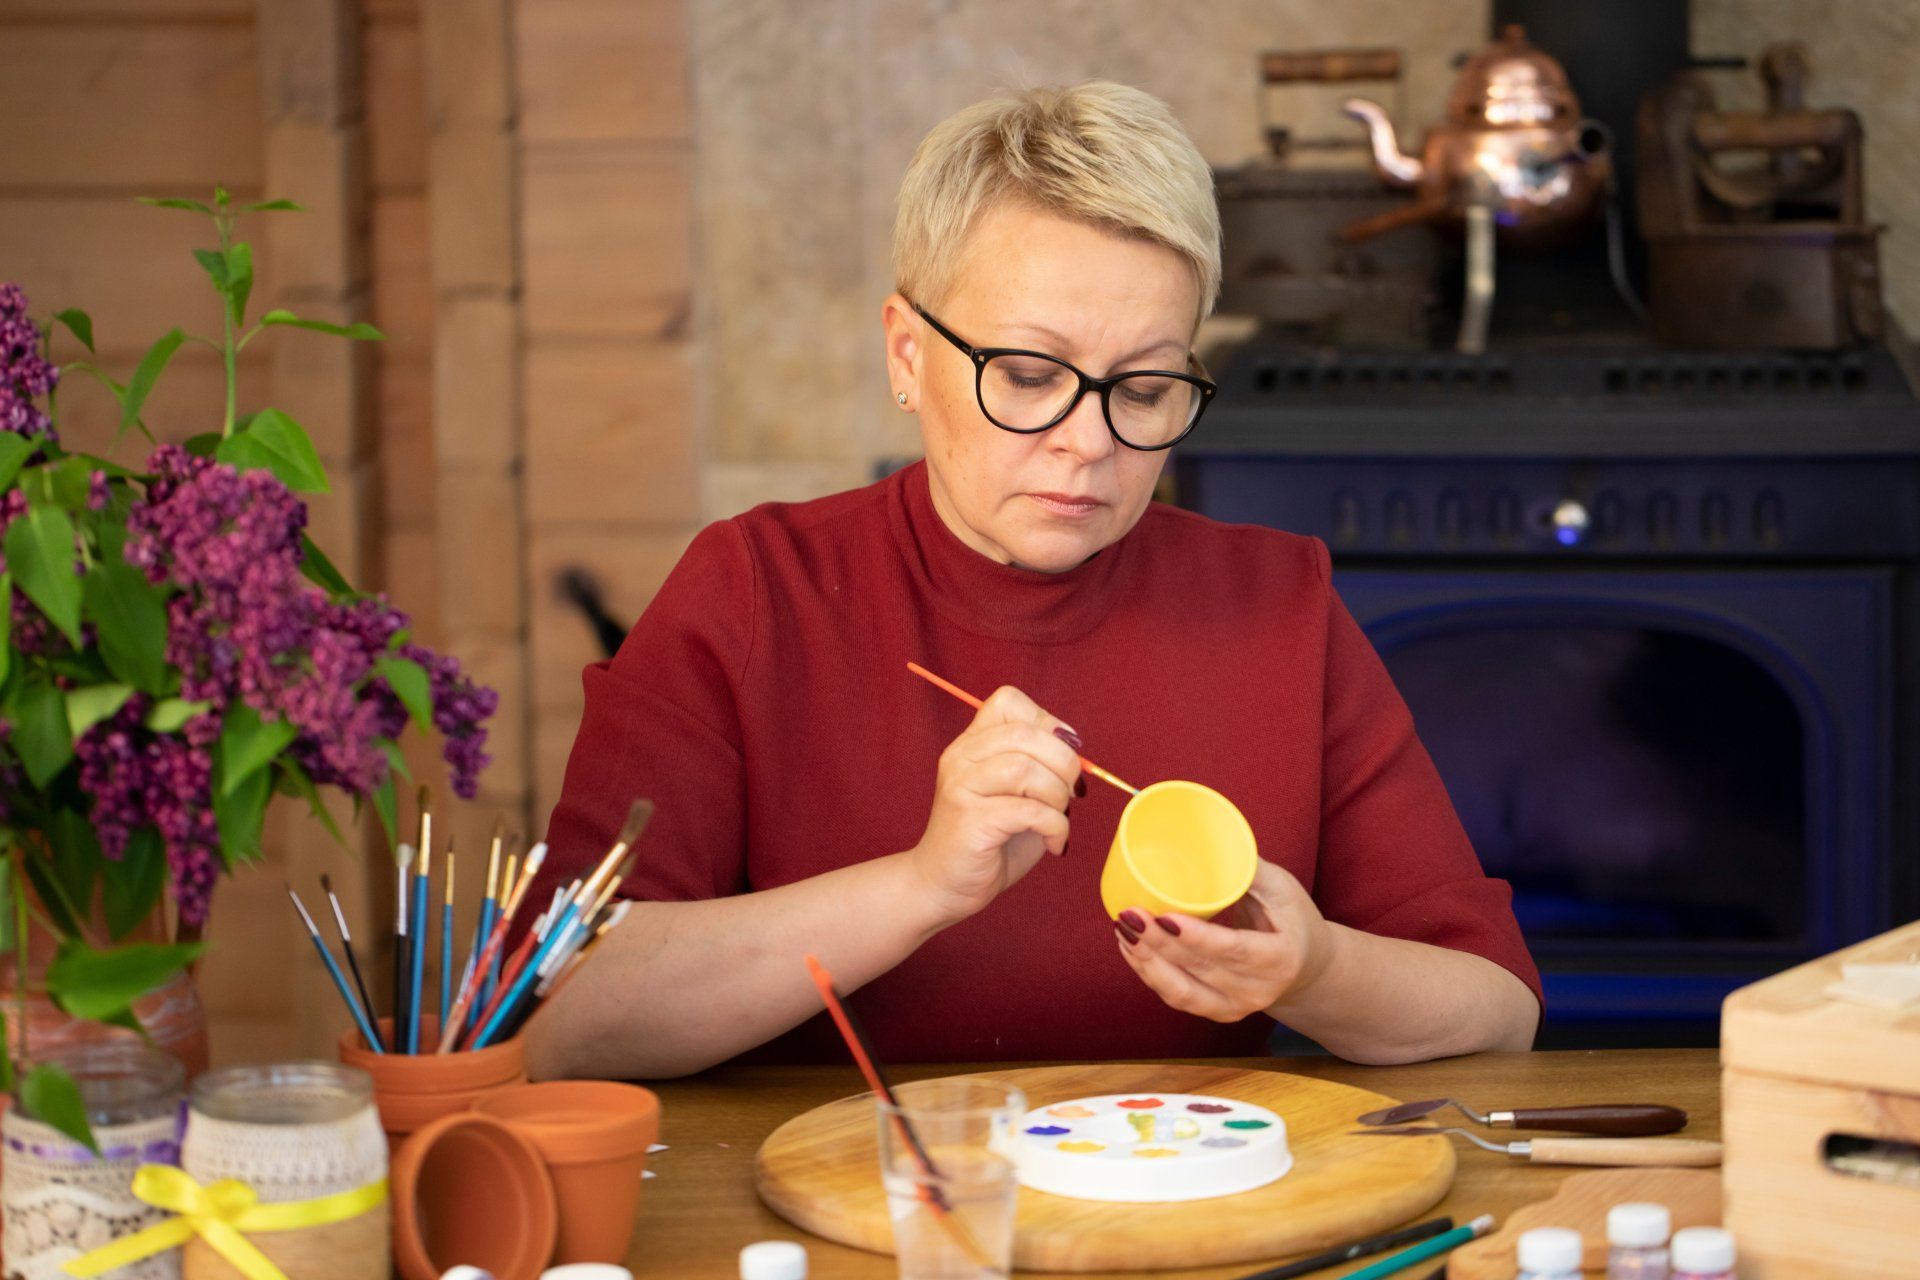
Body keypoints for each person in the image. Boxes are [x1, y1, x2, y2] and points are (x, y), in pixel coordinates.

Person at [524, 81, 1540, 1081]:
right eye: (1027, 374)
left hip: (1174, 1211)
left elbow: (1496, 1006)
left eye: (1145, 388)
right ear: (908, 354)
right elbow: (563, 1011)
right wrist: (921, 886)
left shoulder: (1276, 601)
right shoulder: (754, 590)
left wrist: (1316, 968)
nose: (1089, 442)